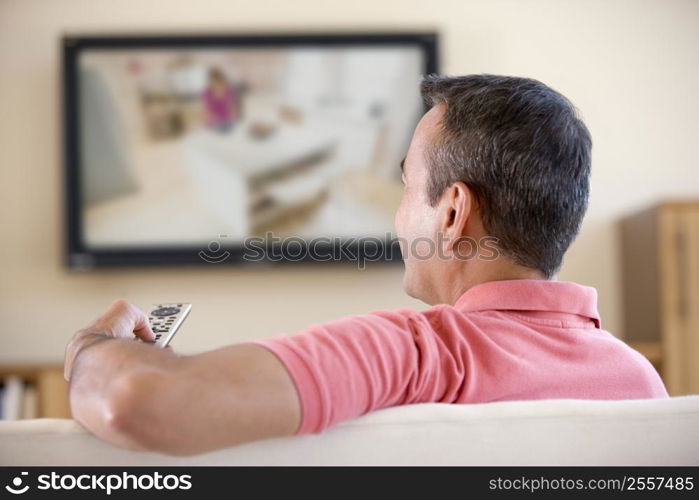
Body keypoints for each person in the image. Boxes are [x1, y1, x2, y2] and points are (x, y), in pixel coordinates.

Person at [64, 74, 669, 456]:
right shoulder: (641, 384)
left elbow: (138, 401)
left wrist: (92, 346)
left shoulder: (415, 353)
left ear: (453, 212)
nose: (397, 220)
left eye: (407, 187)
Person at [202, 67, 237, 132]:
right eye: (213, 81)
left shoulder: (228, 90)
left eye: (218, 81)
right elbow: (206, 108)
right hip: (213, 122)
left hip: (227, 121)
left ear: (222, 80)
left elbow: (232, 106)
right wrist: (207, 119)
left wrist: (233, 119)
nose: (216, 84)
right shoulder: (207, 92)